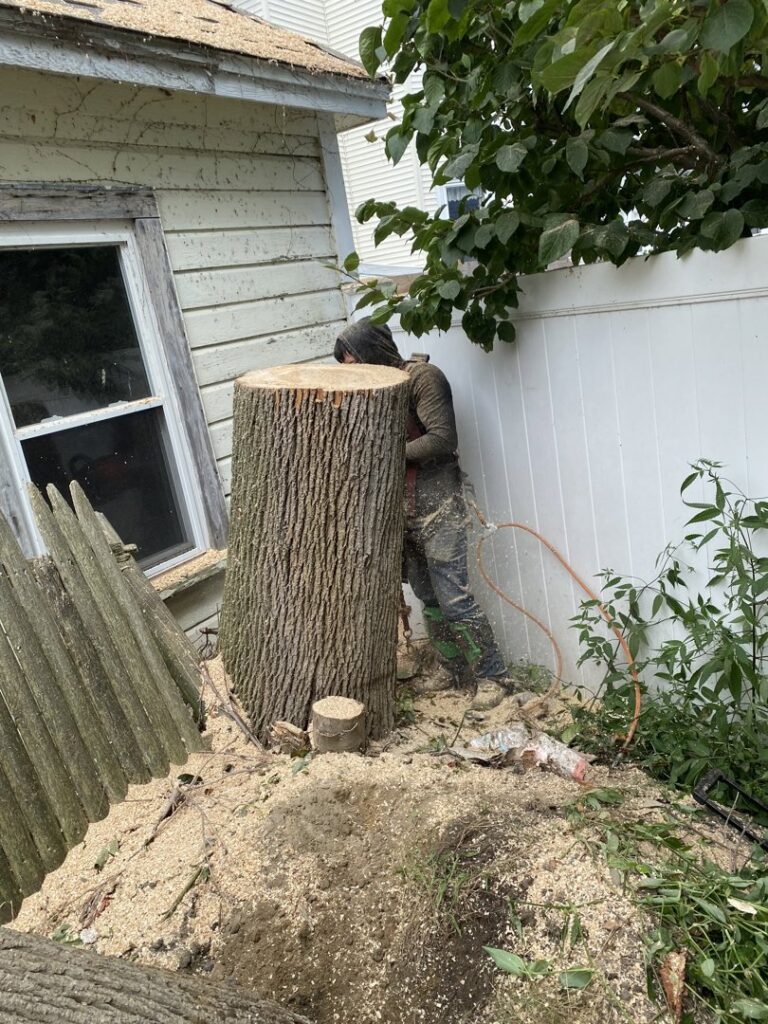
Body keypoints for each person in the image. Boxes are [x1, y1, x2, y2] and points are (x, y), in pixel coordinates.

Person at [334, 318, 513, 710]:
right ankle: (452, 668)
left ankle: (492, 675)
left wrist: (384, 456)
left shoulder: (422, 378)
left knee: (454, 597)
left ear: (373, 353)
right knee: (427, 595)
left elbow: (442, 437)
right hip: (400, 507)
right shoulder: (370, 392)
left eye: (354, 361)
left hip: (438, 501)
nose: (352, 371)